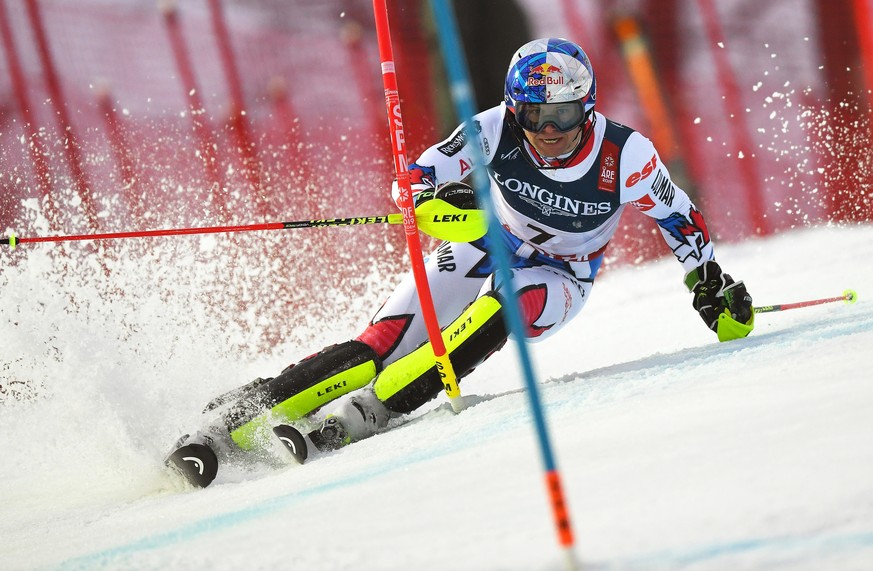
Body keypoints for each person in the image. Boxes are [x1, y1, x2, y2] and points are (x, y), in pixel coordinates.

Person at [168, 38, 754, 486]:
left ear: (589, 109)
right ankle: (229, 423)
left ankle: (367, 413)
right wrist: (430, 202)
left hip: (558, 274)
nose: (549, 133)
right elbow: (414, 181)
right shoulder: (492, 129)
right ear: (514, 110)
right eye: (535, 117)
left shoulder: (623, 154)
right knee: (378, 344)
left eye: (565, 117)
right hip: (482, 243)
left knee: (503, 310)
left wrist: (707, 279)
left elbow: (678, 216)